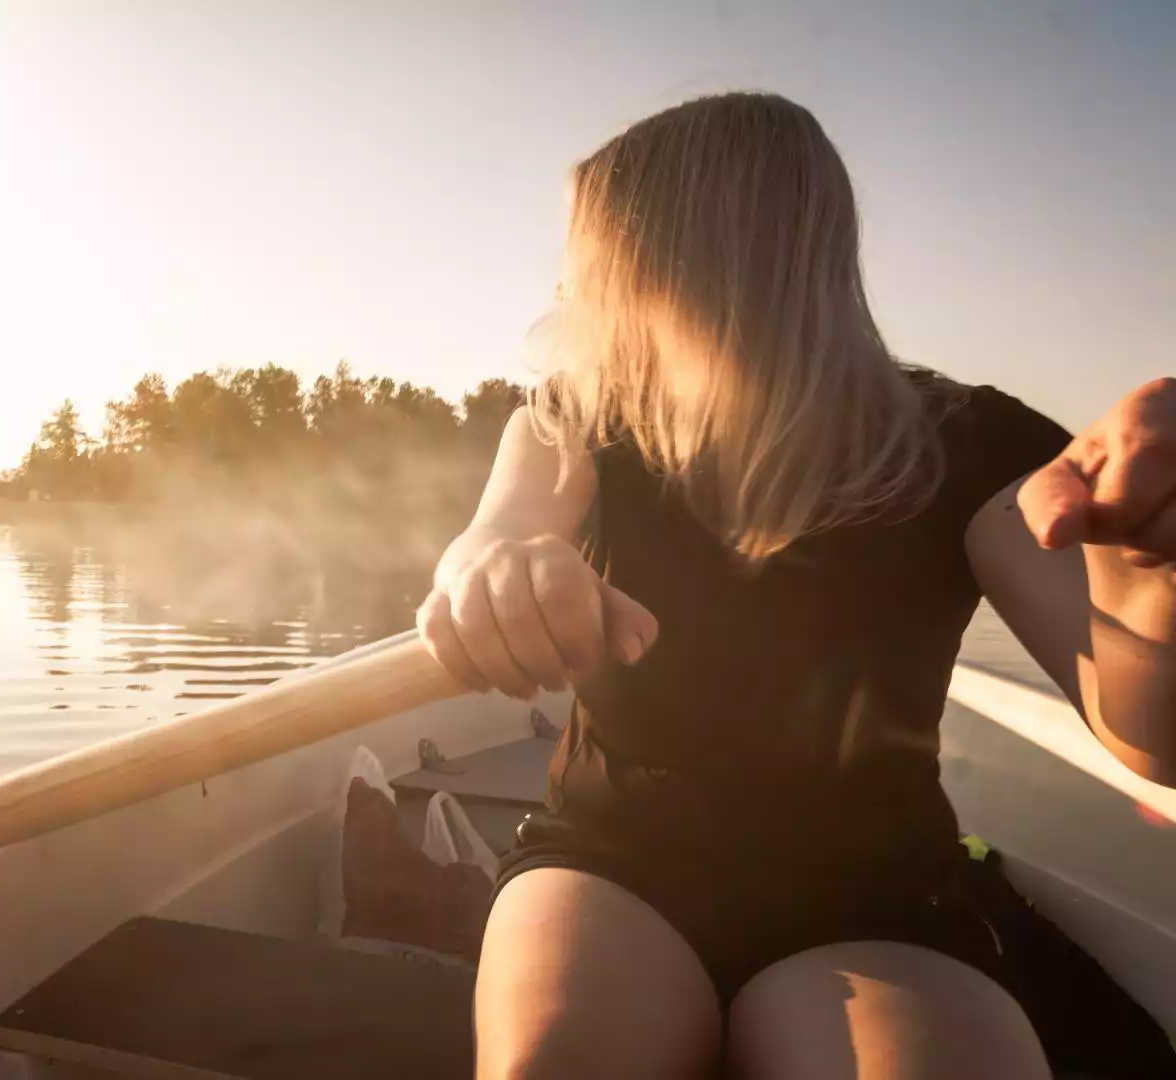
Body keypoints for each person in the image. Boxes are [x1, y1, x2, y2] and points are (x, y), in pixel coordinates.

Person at [419, 91, 1176, 1080]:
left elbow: (1151, 737)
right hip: (614, 869)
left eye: (584, 266)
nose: (566, 297)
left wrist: (1144, 569)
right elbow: (491, 537)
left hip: (877, 906)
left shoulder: (970, 445)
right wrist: (494, 571)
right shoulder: (577, 426)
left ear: (669, 262)